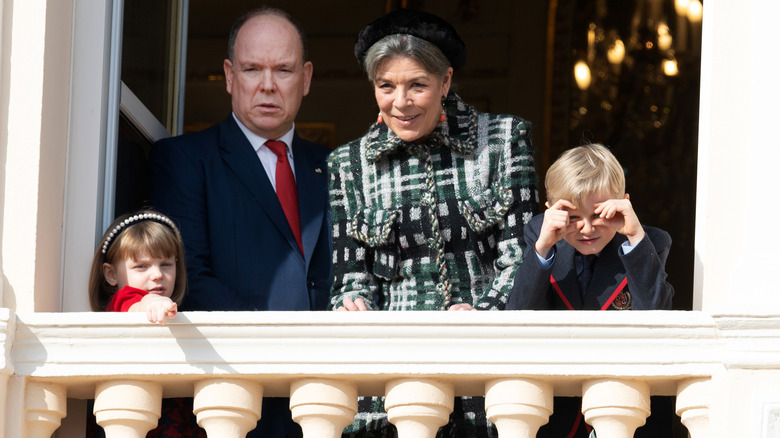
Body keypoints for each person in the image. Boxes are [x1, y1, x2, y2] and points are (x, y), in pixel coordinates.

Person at [328, 9, 538, 436]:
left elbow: (524, 257)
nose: (400, 102)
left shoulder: (502, 140)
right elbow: (350, 275)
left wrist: (482, 314)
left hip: (485, 375)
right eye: (386, 86)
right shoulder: (348, 164)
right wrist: (354, 302)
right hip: (388, 387)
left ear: (445, 82)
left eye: (417, 85)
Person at [147, 7, 332, 437]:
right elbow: (187, 274)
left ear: (305, 78)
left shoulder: (337, 168)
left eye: (283, 70)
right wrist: (278, 338)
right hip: (230, 393)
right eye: (252, 69)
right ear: (230, 76)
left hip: (327, 397)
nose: (267, 85)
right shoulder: (185, 160)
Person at [505, 143, 676, 437]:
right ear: (551, 212)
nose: (586, 229)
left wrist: (635, 237)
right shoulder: (540, 237)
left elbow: (656, 317)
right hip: (558, 415)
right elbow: (518, 315)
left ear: (623, 204)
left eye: (599, 215)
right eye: (572, 217)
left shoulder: (649, 244)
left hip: (626, 408)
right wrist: (544, 247)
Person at [88, 210, 206, 438]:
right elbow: (134, 304)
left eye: (166, 264)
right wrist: (152, 302)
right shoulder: (122, 300)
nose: (157, 274)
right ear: (111, 274)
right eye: (142, 266)